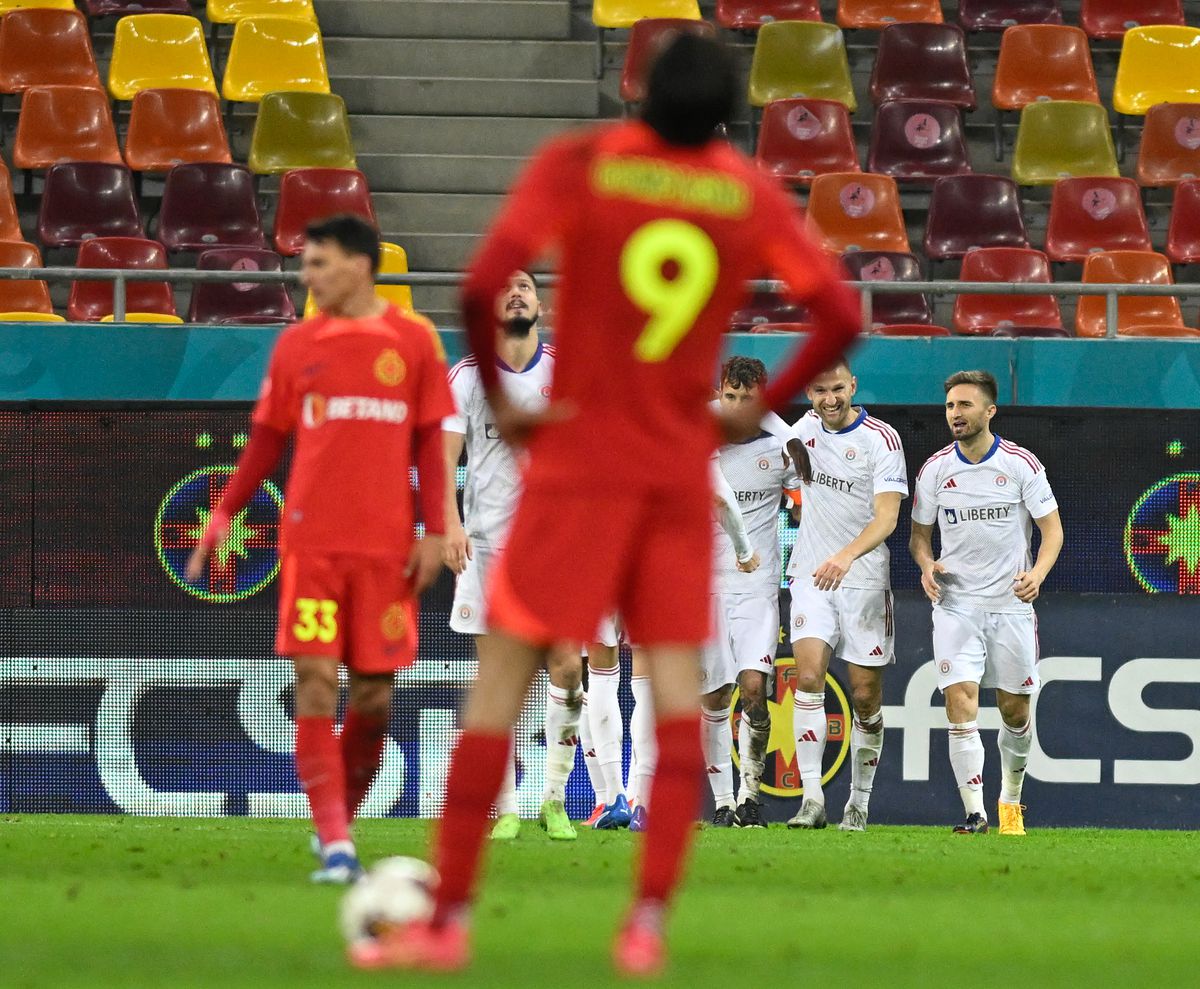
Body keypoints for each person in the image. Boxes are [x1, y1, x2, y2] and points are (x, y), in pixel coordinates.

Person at [353, 33, 860, 976]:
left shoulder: (582, 163)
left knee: (496, 694)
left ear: (635, 93)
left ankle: (449, 918)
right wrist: (742, 412)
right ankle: (645, 924)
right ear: (723, 117)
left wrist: (506, 405)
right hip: (671, 473)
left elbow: (475, 286)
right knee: (674, 709)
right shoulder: (745, 192)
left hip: (576, 468)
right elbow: (840, 311)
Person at [186, 214, 453, 882]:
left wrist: (433, 529)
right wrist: (222, 515)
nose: (306, 277)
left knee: (373, 701)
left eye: (318, 263)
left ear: (361, 265)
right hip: (312, 545)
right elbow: (266, 442)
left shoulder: (414, 344)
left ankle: (336, 822)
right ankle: (337, 843)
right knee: (313, 683)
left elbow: (430, 441)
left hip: (387, 550)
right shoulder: (295, 345)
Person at [443, 270, 585, 842]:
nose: (516, 292)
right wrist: (448, 523)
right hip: (487, 544)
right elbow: (443, 457)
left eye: (525, 285)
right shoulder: (467, 377)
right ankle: (503, 805)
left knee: (569, 670)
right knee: (496, 680)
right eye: (504, 288)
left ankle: (553, 798)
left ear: (540, 306)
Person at [909, 370, 1063, 836]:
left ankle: (1010, 803)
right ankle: (974, 812)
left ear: (989, 411)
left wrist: (1036, 575)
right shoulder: (935, 470)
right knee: (961, 700)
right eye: (951, 406)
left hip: (1010, 607)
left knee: (1016, 713)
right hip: (956, 605)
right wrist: (926, 565)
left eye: (965, 405)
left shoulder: (1020, 465)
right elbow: (919, 537)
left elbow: (1052, 530)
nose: (956, 414)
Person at [786, 360, 908, 832]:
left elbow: (887, 518)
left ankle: (858, 801)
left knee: (864, 695)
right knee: (808, 676)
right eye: (819, 390)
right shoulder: (801, 430)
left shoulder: (882, 439)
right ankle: (812, 799)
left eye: (837, 388)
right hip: (811, 575)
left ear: (853, 386)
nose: (830, 399)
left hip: (862, 579)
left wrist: (846, 556)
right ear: (809, 391)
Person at [627, 458, 761, 833]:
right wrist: (745, 551)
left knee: (650, 691)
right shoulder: (691, 445)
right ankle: (695, 802)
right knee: (710, 696)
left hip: (641, 579)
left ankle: (643, 801)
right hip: (689, 581)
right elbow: (723, 502)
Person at [707, 356, 807, 829]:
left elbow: (808, 501)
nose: (738, 407)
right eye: (731, 397)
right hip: (702, 585)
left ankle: (750, 796)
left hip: (757, 586)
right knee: (712, 698)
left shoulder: (782, 449)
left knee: (752, 689)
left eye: (749, 399)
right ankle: (722, 802)